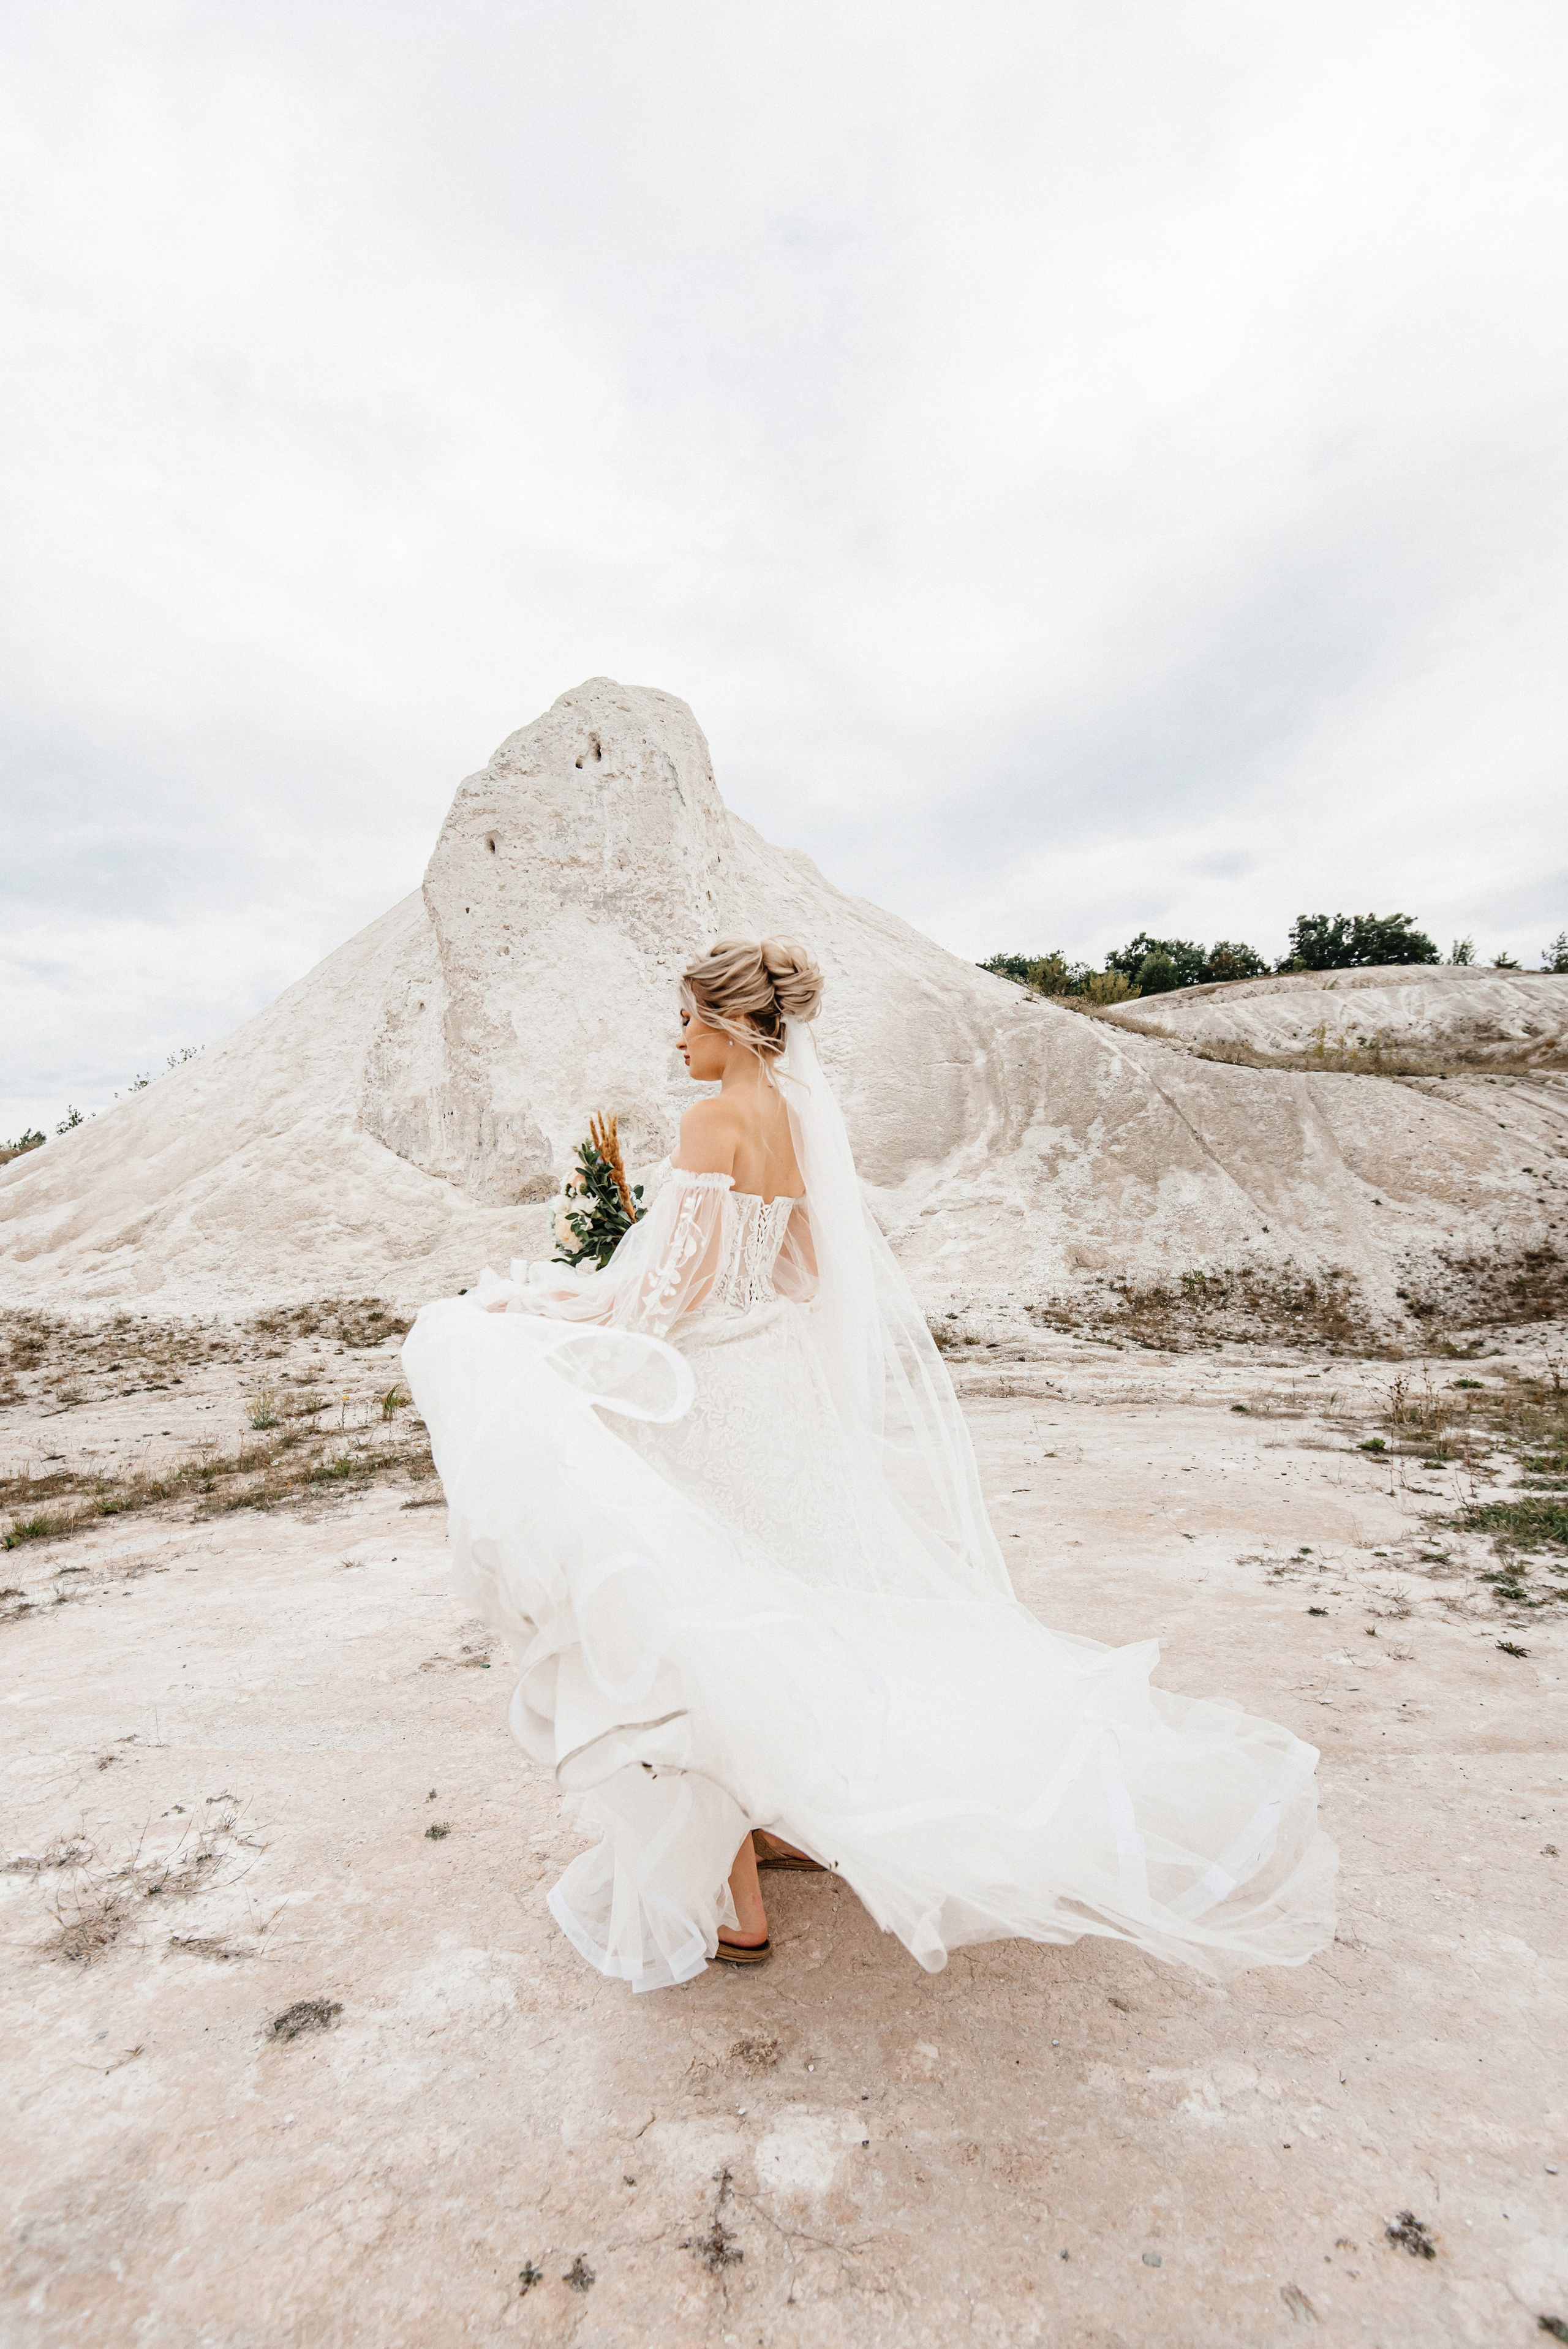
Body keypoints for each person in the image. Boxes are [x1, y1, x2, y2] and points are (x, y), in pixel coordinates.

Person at [403, 938, 1335, 1988]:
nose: (676, 1041)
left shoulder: (712, 1118)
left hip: (708, 1398)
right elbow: (800, 1268)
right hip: (776, 1391)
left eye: (686, 1019)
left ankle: (731, 1903)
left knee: (685, 1620)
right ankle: (778, 1820)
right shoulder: (798, 1123)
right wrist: (669, 1295)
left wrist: (548, 1312)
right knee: (786, 1602)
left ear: (730, 1021)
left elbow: (670, 1299)